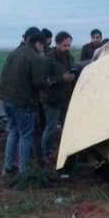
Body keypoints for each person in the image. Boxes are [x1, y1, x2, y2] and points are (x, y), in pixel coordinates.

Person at [0, 29, 59, 175]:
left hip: (6, 99)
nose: (43, 48)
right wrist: (49, 81)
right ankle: (24, 170)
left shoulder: (14, 53)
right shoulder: (35, 57)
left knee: (13, 132)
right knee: (25, 135)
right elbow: (39, 82)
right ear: (38, 43)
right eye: (42, 45)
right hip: (22, 101)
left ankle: (8, 166)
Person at [40, 31, 76, 163]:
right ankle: (46, 154)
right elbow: (44, 80)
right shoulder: (48, 59)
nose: (67, 48)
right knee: (51, 127)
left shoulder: (68, 57)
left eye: (69, 45)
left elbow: (72, 69)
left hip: (65, 99)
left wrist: (73, 75)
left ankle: (68, 152)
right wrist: (62, 78)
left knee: (67, 127)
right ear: (58, 44)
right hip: (51, 100)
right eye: (65, 45)